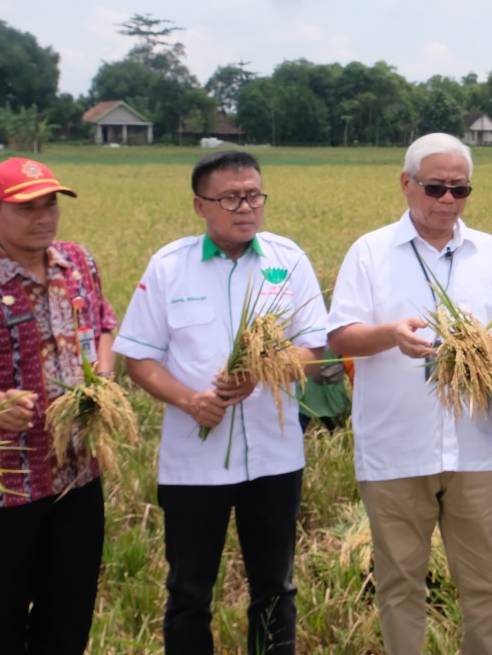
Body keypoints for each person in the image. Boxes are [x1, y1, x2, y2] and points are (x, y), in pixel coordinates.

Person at [326, 133, 492, 655]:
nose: (447, 200)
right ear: (406, 184)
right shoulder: (370, 252)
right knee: (400, 585)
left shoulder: (487, 252)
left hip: (472, 446)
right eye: (435, 187)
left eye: (459, 189)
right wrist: (390, 335)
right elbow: (341, 335)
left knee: (486, 583)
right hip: (395, 448)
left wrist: (490, 352)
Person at [116, 151, 329, 655]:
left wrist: (263, 371)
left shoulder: (288, 260)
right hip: (194, 463)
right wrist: (191, 400)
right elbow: (140, 360)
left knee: (275, 588)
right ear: (200, 205)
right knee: (189, 592)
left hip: (275, 457)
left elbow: (313, 350)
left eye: (254, 194)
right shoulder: (169, 268)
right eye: (230, 197)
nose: (245, 207)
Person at [0, 157, 117, 654]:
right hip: (8, 481)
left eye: (50, 204)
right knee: (2, 613)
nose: (44, 217)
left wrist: (104, 374)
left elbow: (105, 324)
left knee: (69, 610)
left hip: (79, 470)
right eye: (27, 207)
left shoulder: (78, 262)